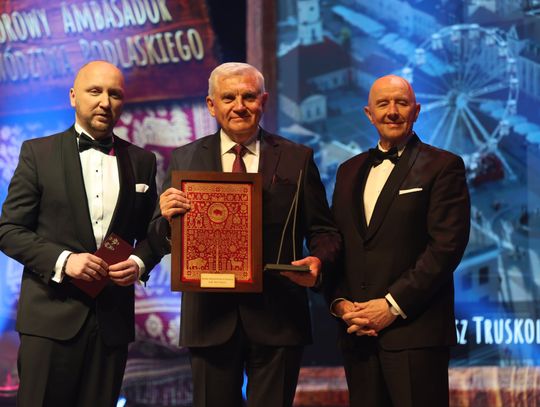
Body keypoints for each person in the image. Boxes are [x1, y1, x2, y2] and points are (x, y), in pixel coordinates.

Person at [149, 62, 341, 407]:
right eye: (228, 98)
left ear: (263, 101)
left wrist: (318, 261)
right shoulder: (184, 159)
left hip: (279, 315)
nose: (239, 106)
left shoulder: (297, 159)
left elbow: (323, 230)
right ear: (211, 105)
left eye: (248, 97)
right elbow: (159, 238)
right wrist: (165, 217)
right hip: (209, 319)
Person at [0, 60, 160, 407]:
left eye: (114, 94)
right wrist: (64, 261)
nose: (105, 102)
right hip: (49, 320)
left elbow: (153, 234)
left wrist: (138, 262)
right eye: (95, 91)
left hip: (111, 323)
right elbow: (9, 230)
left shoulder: (142, 161)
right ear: (73, 96)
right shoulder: (38, 153)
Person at [328, 75, 470, 407]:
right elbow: (338, 243)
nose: (392, 111)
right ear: (369, 114)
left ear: (416, 111)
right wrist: (341, 304)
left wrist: (391, 306)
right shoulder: (347, 170)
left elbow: (445, 247)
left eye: (401, 103)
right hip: (358, 334)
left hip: (415, 335)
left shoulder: (443, 166)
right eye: (383, 104)